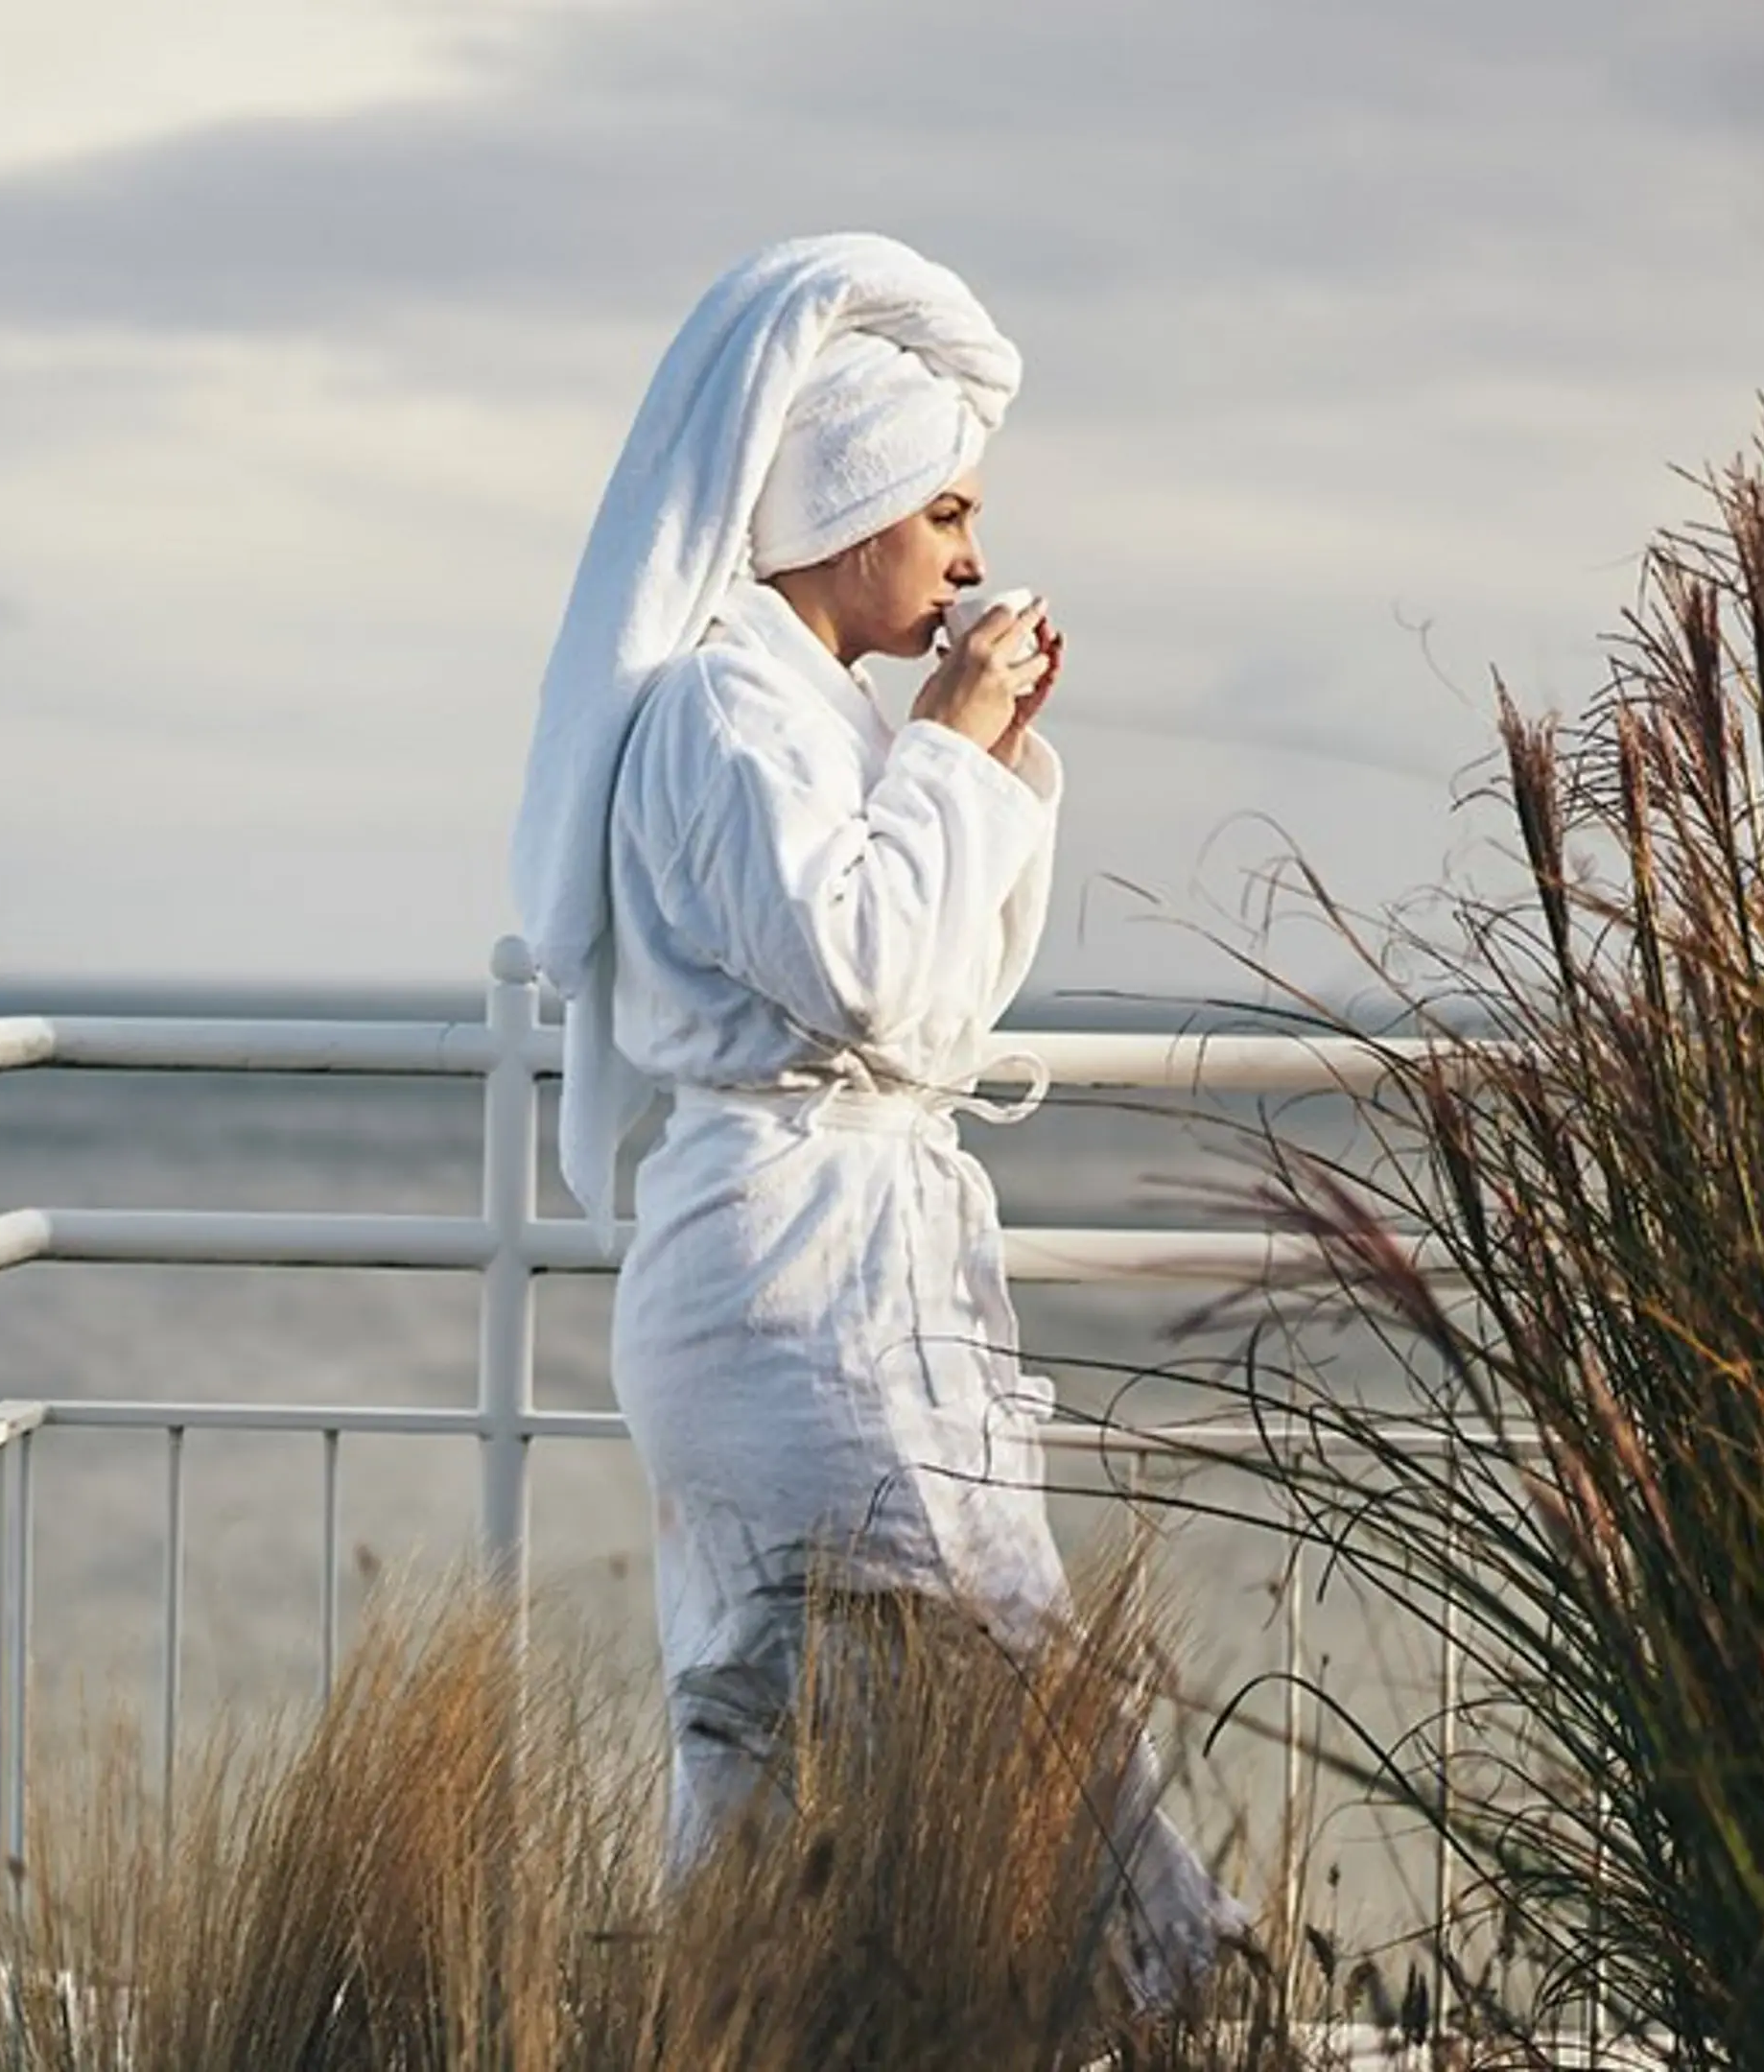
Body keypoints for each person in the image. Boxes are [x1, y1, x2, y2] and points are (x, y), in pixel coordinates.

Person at [508, 233, 1242, 2007]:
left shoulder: (815, 717)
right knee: (955, 1673)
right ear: (851, 512)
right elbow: (869, 969)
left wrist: (973, 753)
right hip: (784, 1281)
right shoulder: (720, 714)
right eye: (950, 513)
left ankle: (746, 2027)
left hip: (832, 1264)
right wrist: (951, 742)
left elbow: (945, 1002)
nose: (977, 557)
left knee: (789, 1734)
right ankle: (1174, 1999)